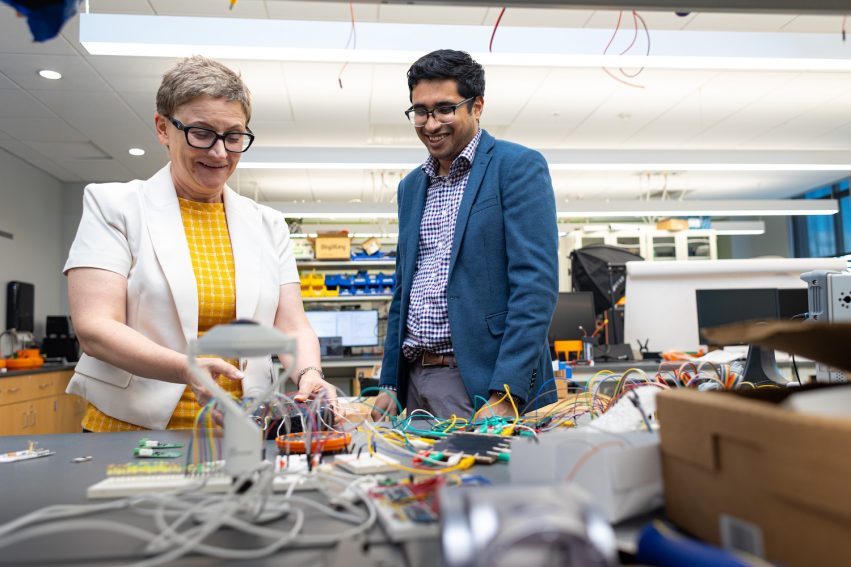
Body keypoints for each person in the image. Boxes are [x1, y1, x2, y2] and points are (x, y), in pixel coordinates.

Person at [64, 55, 335, 432]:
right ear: (163, 128)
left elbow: (291, 325)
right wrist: (185, 368)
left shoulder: (267, 224)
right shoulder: (115, 207)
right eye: (202, 133)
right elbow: (95, 327)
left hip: (240, 431)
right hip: (132, 429)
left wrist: (309, 373)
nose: (220, 152)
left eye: (234, 136)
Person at [371, 49, 559, 421]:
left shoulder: (516, 167)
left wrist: (506, 392)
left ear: (477, 106)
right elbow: (403, 291)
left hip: (480, 383)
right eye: (420, 111)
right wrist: (389, 384)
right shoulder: (411, 186)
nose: (430, 123)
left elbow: (535, 287)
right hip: (414, 383)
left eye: (444, 109)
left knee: (480, 480)